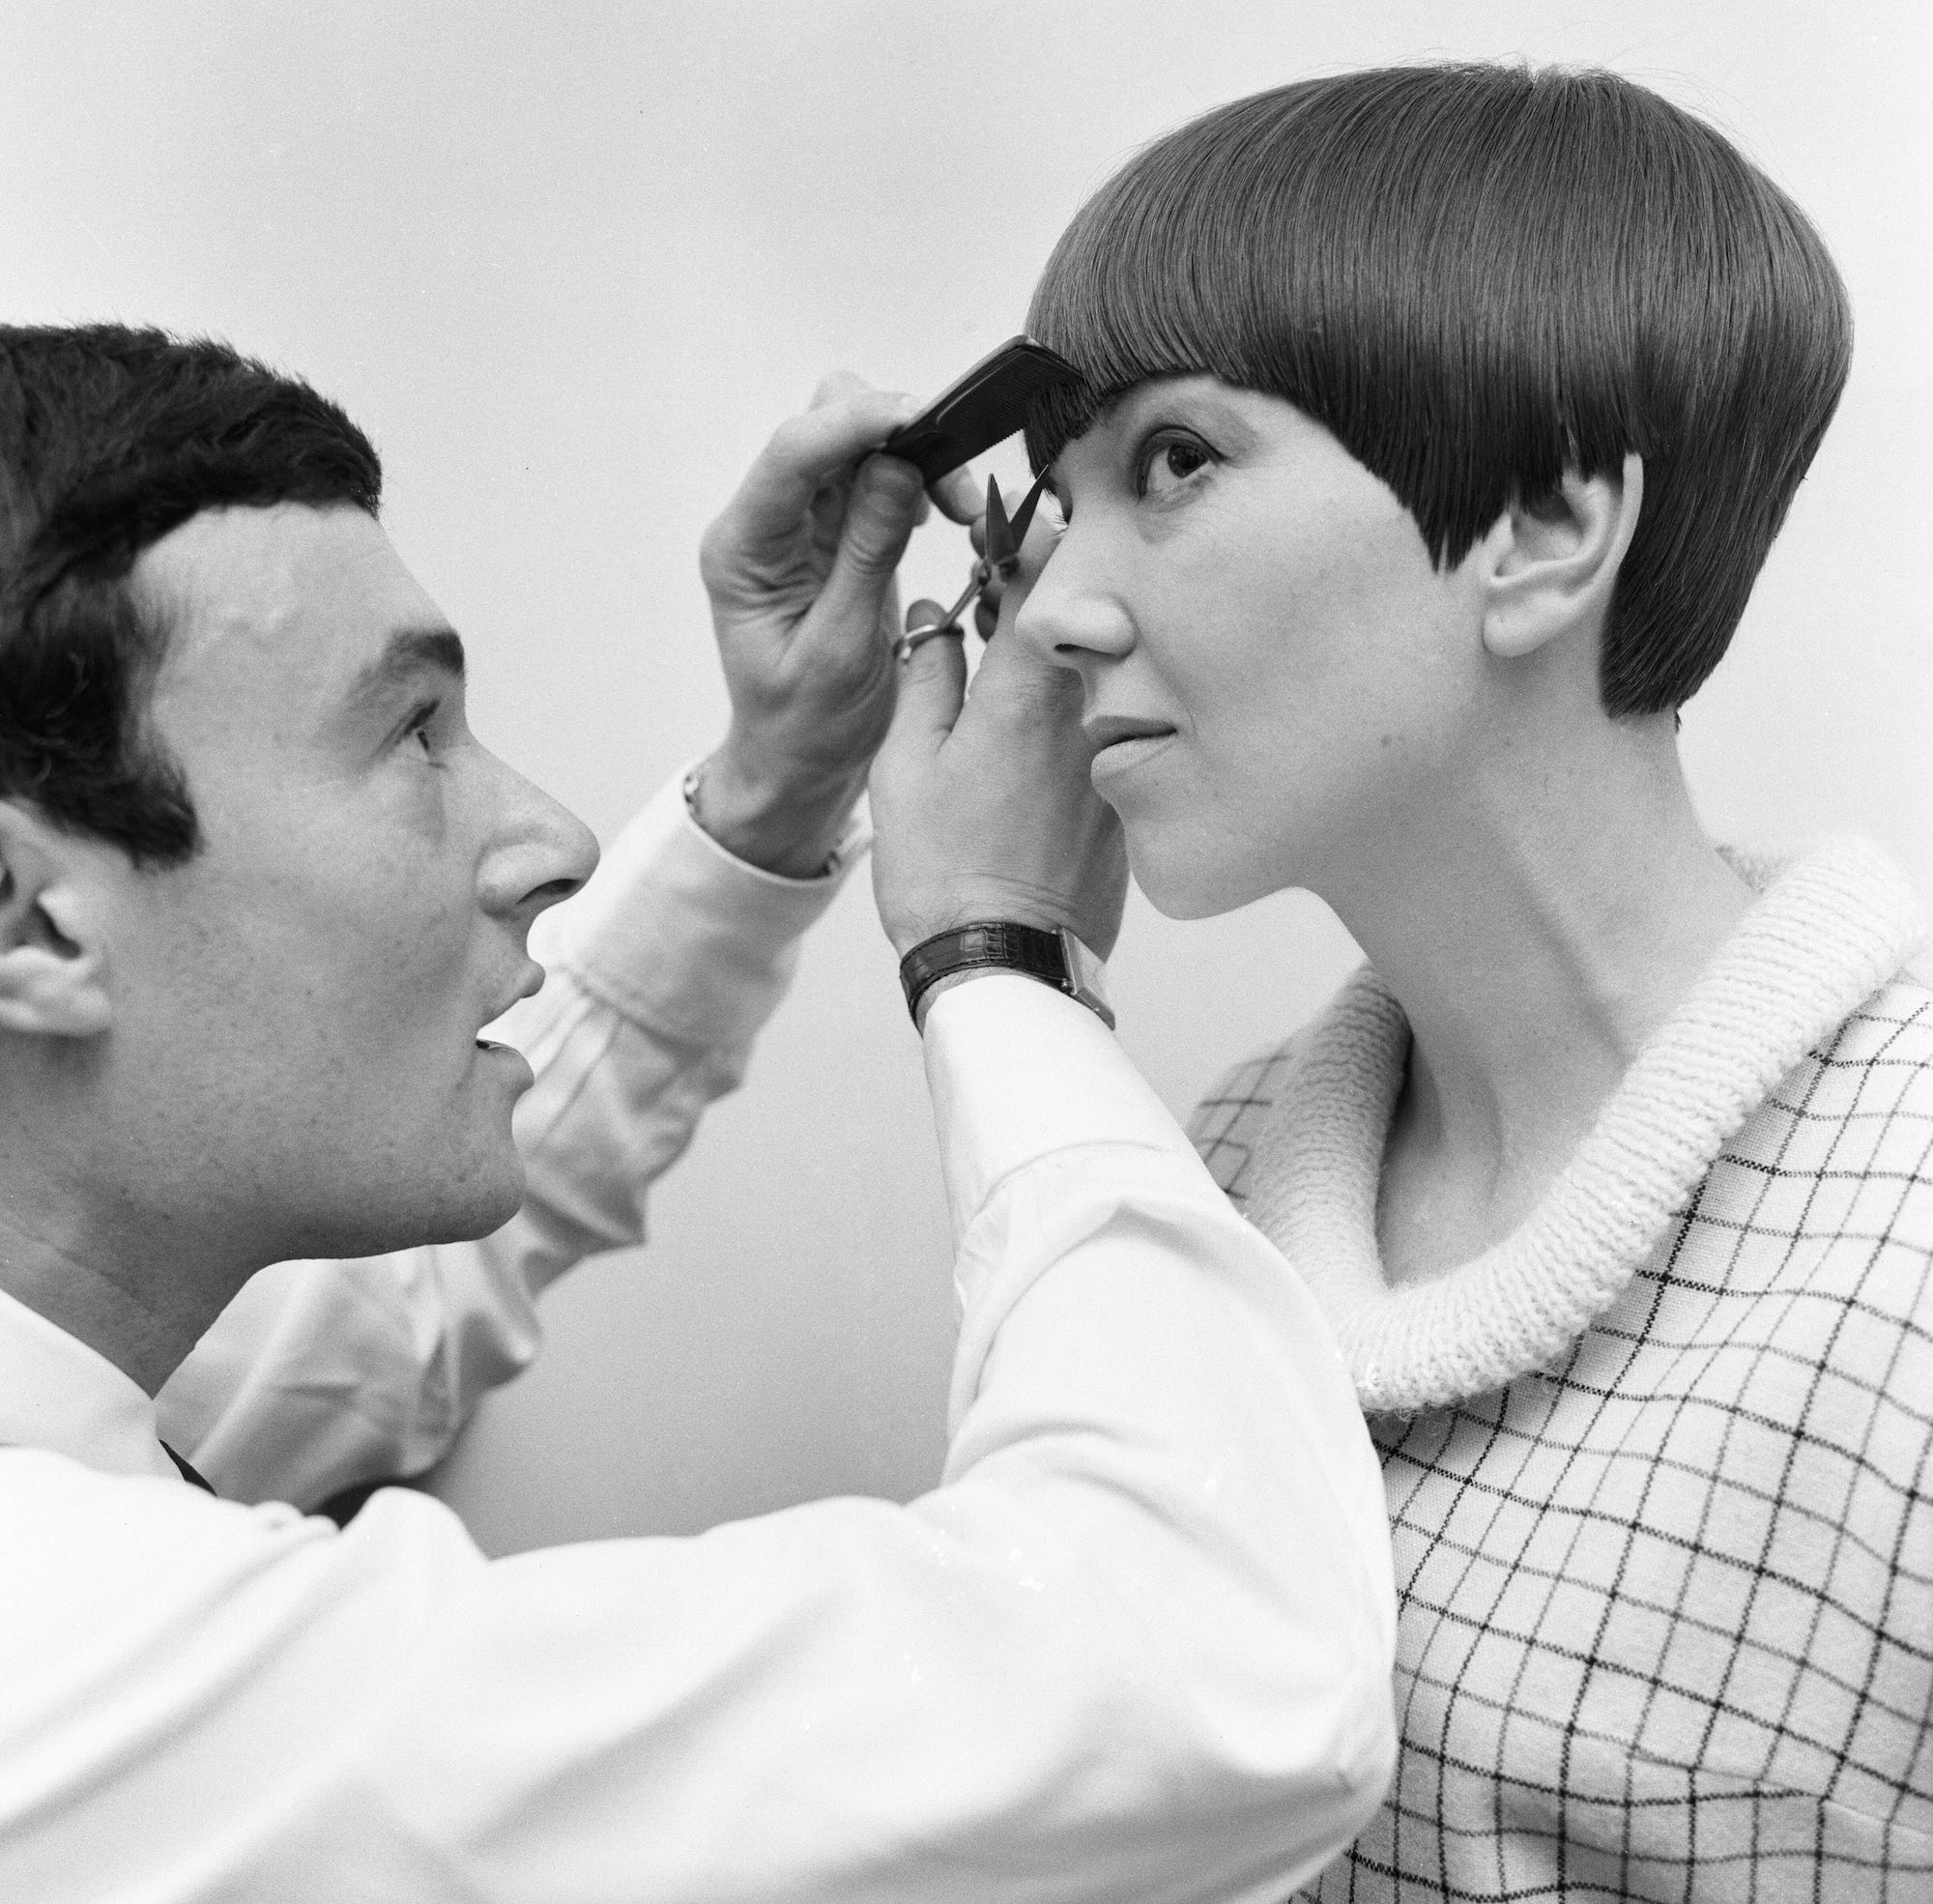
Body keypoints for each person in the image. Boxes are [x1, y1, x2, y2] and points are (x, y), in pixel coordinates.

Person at [0, 326, 1396, 1900]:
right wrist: (1000, 953)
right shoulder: (69, 1658)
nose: (552, 835)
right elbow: (1213, 1680)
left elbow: (371, 1333)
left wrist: (779, 782)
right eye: (410, 735)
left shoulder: (77, 1394)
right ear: (33, 925)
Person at [985, 62, 1933, 1902]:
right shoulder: (1224, 1160)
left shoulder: (1909, 1238)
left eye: (1174, 461)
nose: (1054, 609)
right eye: (1055, 498)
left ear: (1547, 528)